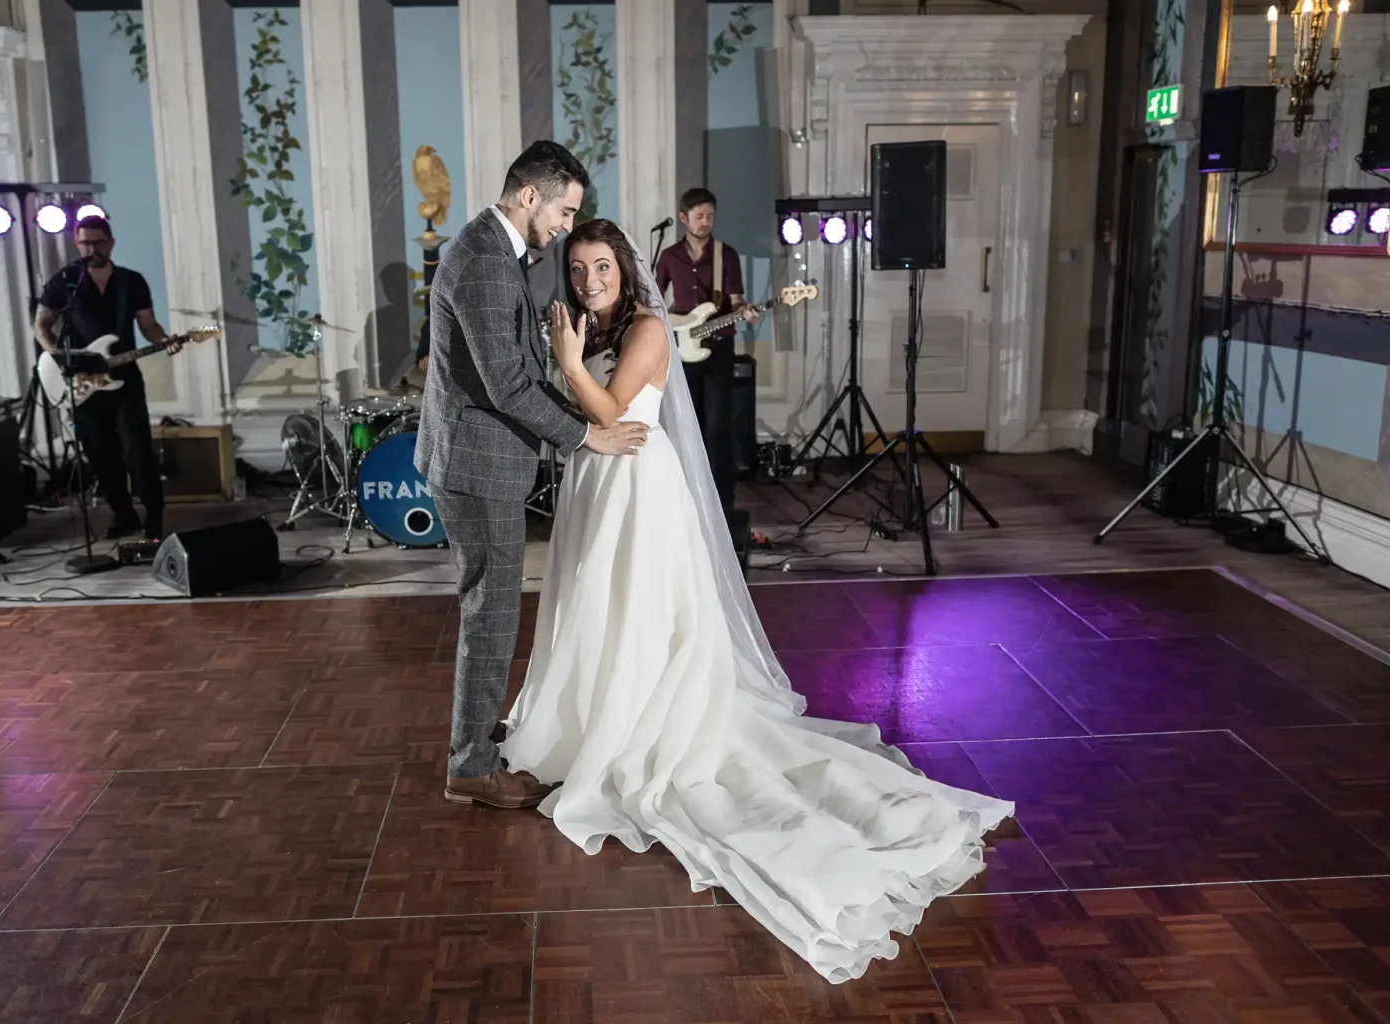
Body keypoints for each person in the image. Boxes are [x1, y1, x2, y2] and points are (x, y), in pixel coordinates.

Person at [500, 219, 1015, 985]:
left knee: (641, 613)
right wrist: (566, 357)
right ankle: (595, 713)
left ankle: (640, 728)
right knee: (597, 612)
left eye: (600, 267)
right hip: (597, 484)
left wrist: (568, 361)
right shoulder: (589, 323)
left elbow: (608, 411)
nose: (588, 281)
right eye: (578, 270)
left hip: (639, 487)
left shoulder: (645, 329)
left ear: (626, 271)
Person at [413, 141, 651, 810]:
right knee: (489, 616)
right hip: (478, 466)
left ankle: (478, 743)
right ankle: (471, 766)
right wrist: (586, 436)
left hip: (476, 458)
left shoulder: (495, 251)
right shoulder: (486, 262)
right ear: (529, 197)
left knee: (489, 610)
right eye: (565, 211)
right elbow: (507, 387)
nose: (567, 227)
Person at [34, 215, 178, 541]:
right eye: (86, 242)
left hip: (124, 376)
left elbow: (147, 323)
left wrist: (164, 340)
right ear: (76, 243)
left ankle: (154, 517)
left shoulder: (131, 281)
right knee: (100, 452)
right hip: (82, 380)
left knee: (138, 450)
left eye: (99, 242)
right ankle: (123, 515)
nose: (92, 248)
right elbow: (41, 325)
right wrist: (58, 357)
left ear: (111, 242)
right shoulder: (65, 282)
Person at [653, 188, 758, 516]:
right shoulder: (669, 256)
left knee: (718, 426)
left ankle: (722, 501)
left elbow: (737, 298)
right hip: (683, 349)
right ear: (684, 218)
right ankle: (686, 496)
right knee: (687, 424)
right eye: (699, 216)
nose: (705, 222)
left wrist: (745, 309)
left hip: (719, 347)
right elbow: (656, 301)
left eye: (710, 216)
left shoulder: (726, 254)